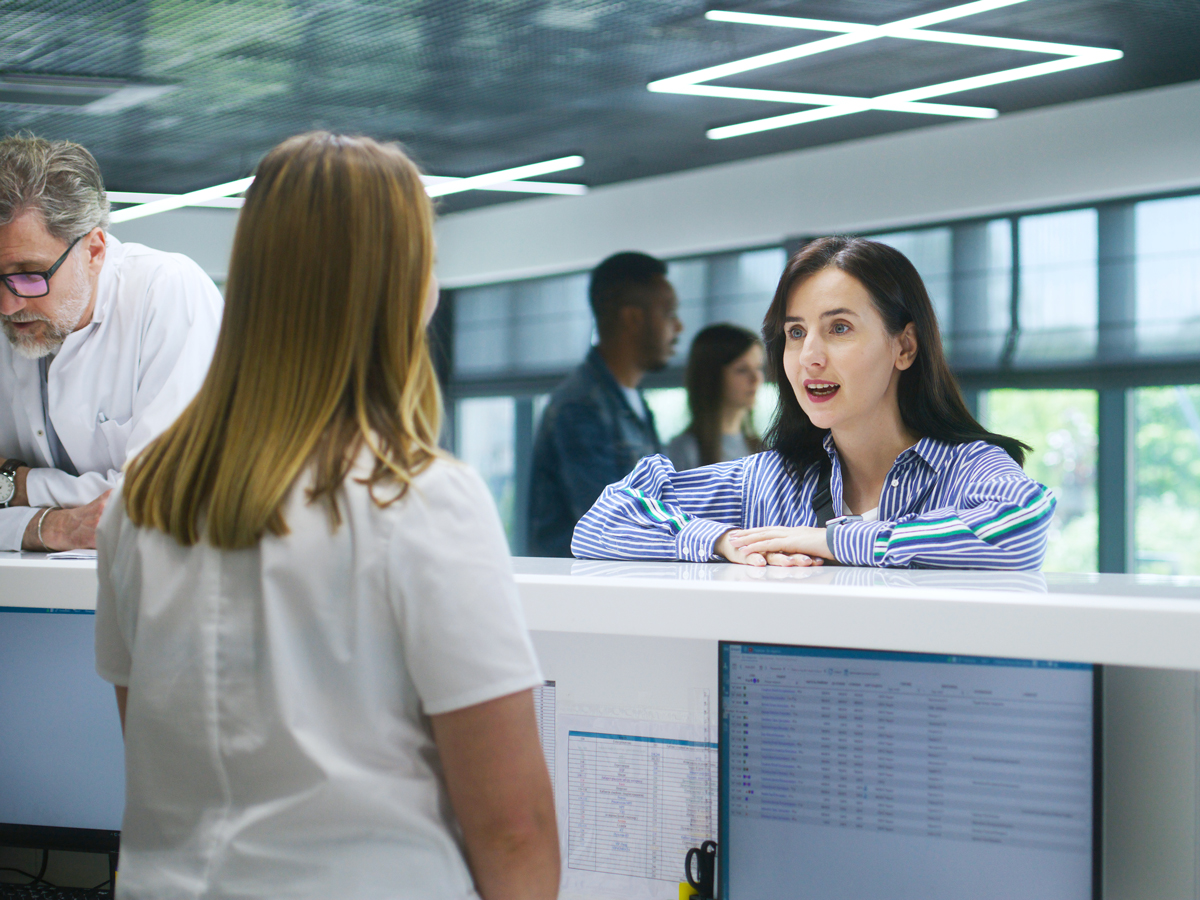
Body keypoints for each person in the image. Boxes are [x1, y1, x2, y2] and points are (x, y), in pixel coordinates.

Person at [93, 133, 559, 899]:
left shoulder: (147, 495)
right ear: (402, 286)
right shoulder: (418, 498)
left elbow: (147, 739)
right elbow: (513, 830)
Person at [572, 236, 1055, 571]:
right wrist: (722, 541)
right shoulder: (769, 479)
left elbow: (1020, 525)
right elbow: (603, 519)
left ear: (904, 347)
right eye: (795, 333)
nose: (809, 358)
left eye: (839, 329)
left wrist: (830, 541)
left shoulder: (965, 468)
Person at [0, 134, 222, 552]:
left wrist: (17, 485)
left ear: (95, 250)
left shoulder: (167, 292)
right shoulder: (11, 305)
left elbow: (161, 495)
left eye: (30, 275)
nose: (9, 306)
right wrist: (51, 528)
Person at [528, 250, 682, 557]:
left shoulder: (633, 401)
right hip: (585, 596)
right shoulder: (580, 406)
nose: (678, 327)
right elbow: (611, 523)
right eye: (668, 313)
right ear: (633, 318)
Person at [666, 323, 764, 471]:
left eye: (758, 367)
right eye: (742, 369)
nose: (756, 379)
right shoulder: (685, 450)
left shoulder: (762, 449)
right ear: (712, 376)